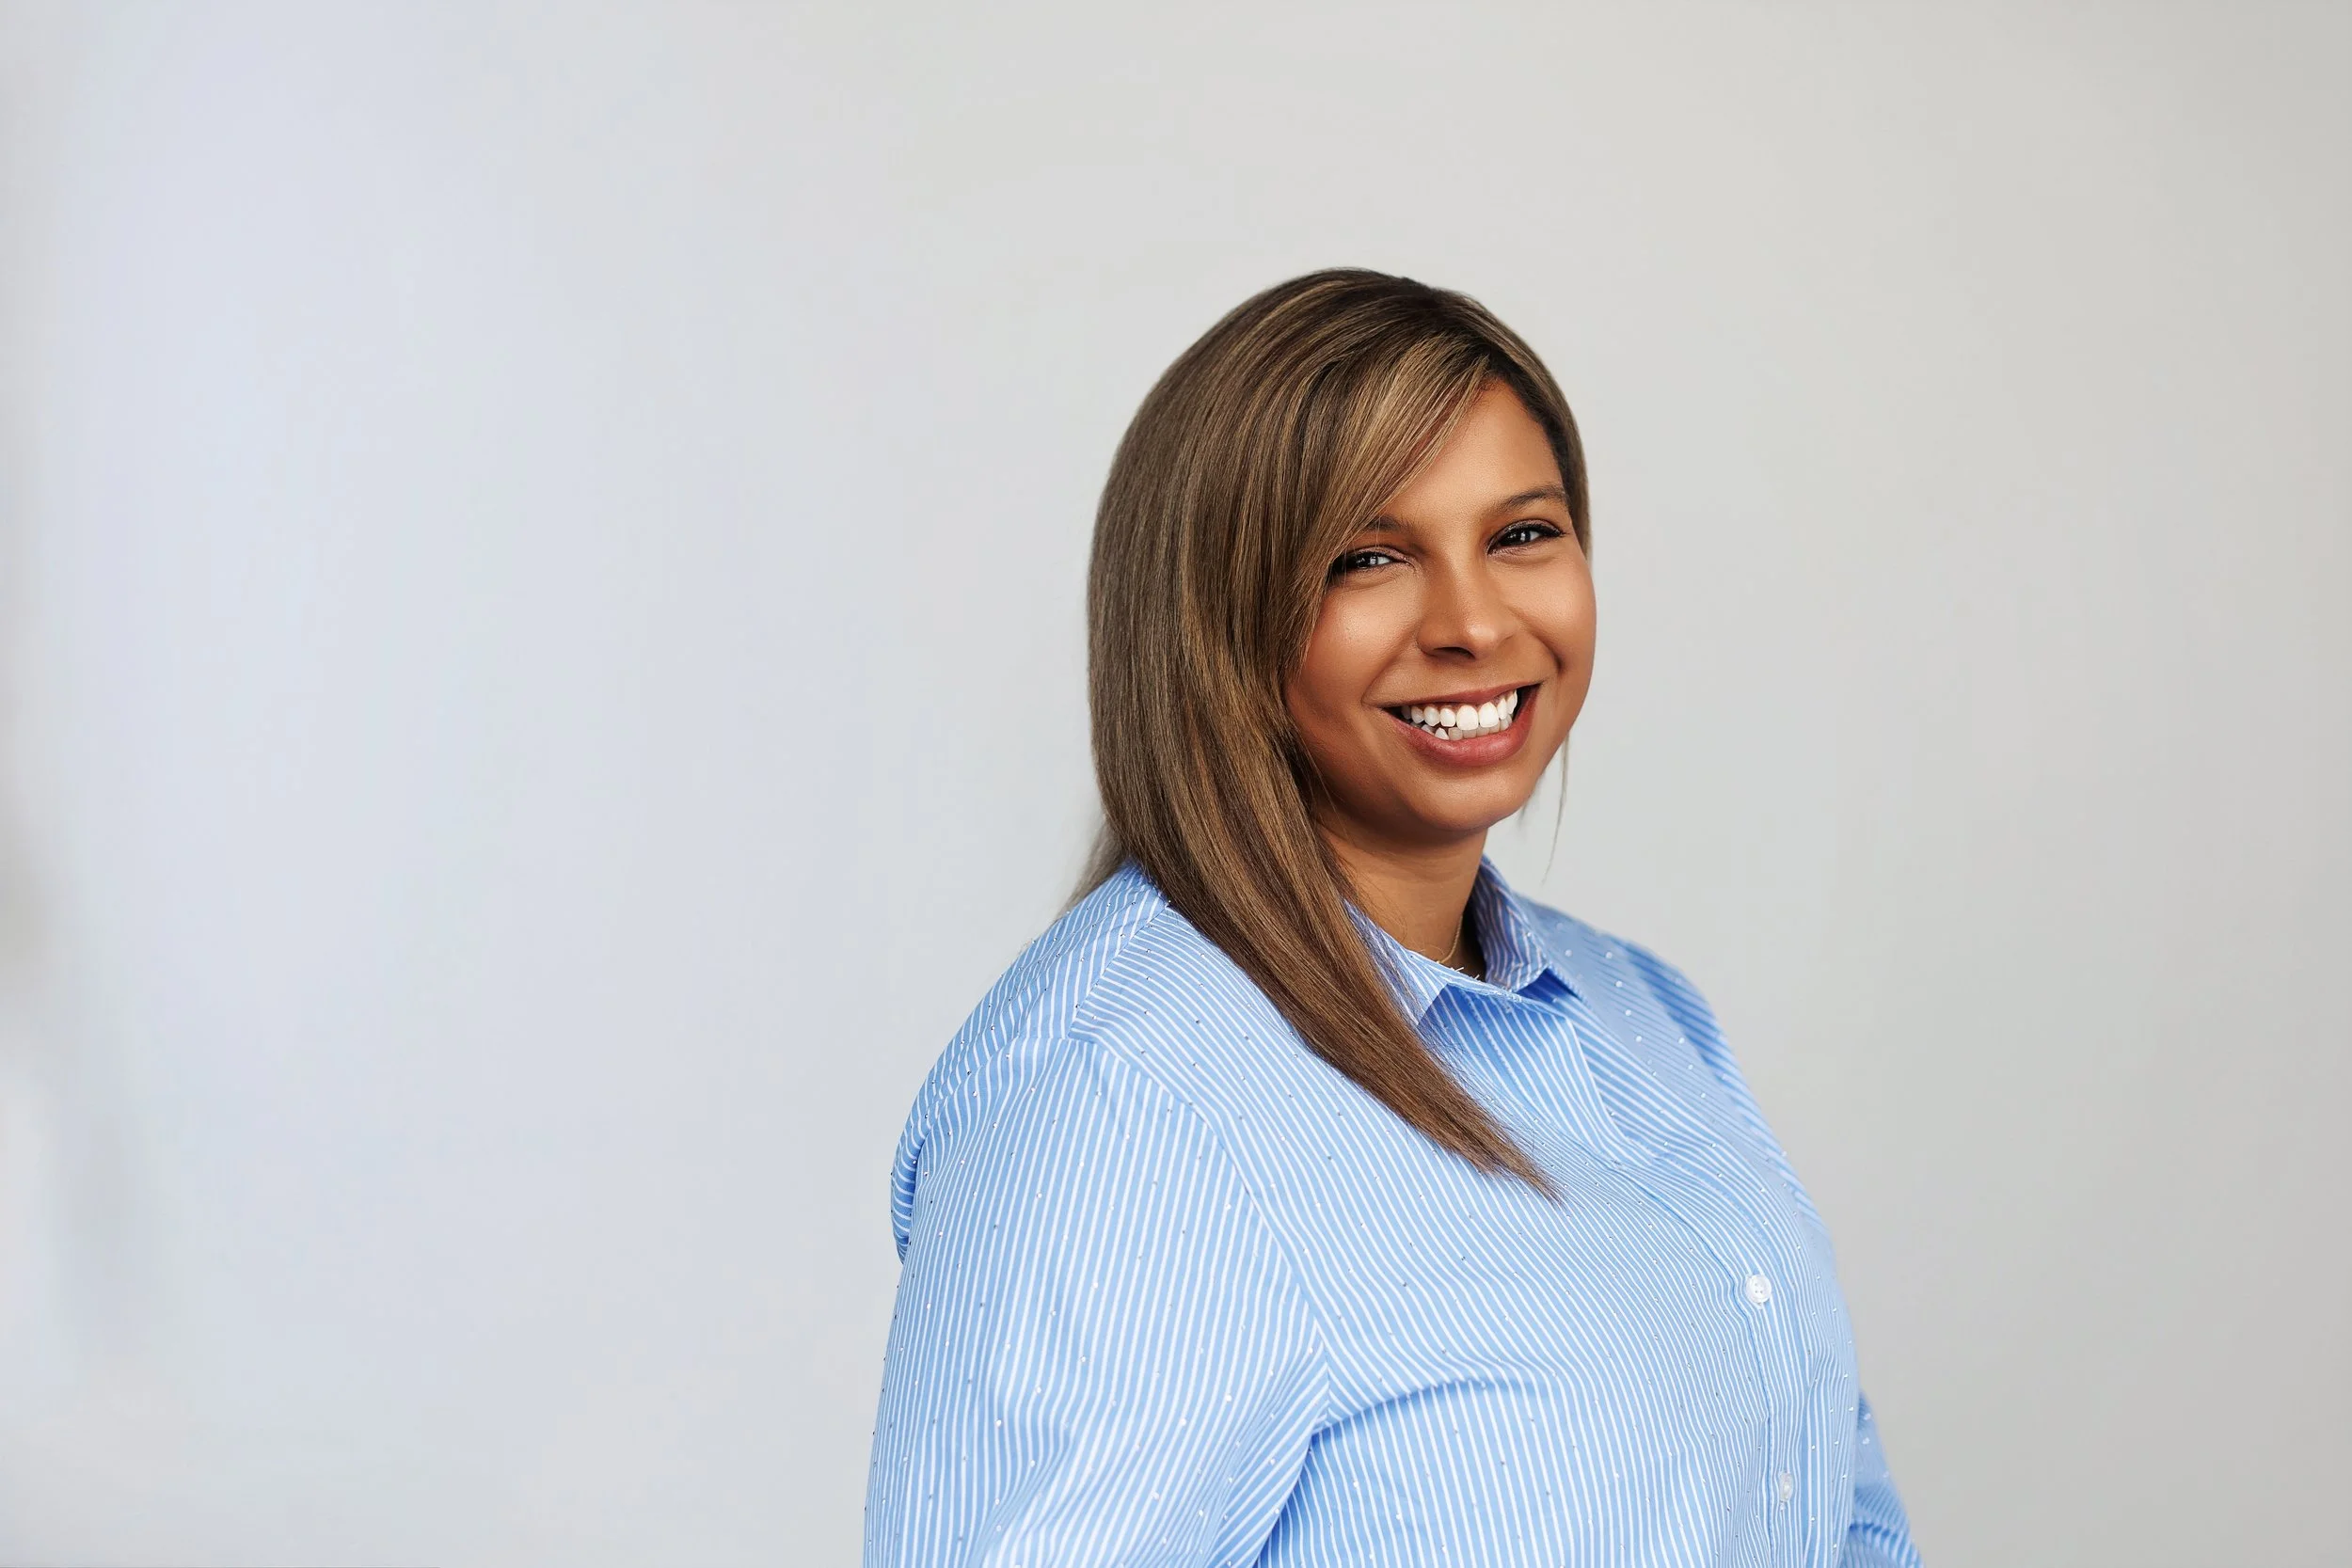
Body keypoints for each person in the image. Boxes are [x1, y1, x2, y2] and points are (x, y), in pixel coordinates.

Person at [863, 269, 1922, 1566]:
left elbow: (1829, 1510)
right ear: (1219, 624)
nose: (1476, 622)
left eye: (1524, 534)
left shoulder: (1639, 1012)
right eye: (1369, 558)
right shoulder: (1118, 1097)